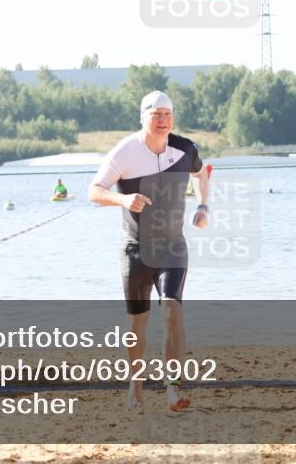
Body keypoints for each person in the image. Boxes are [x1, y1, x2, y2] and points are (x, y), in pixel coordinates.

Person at [88, 91, 209, 412]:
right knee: (137, 325)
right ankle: (136, 383)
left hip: (172, 247)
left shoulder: (185, 148)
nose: (163, 121)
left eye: (168, 114)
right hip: (135, 251)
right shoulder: (125, 151)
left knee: (173, 310)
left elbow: (202, 173)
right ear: (143, 117)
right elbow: (94, 191)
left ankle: (173, 387)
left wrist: (203, 206)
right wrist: (123, 199)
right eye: (156, 115)